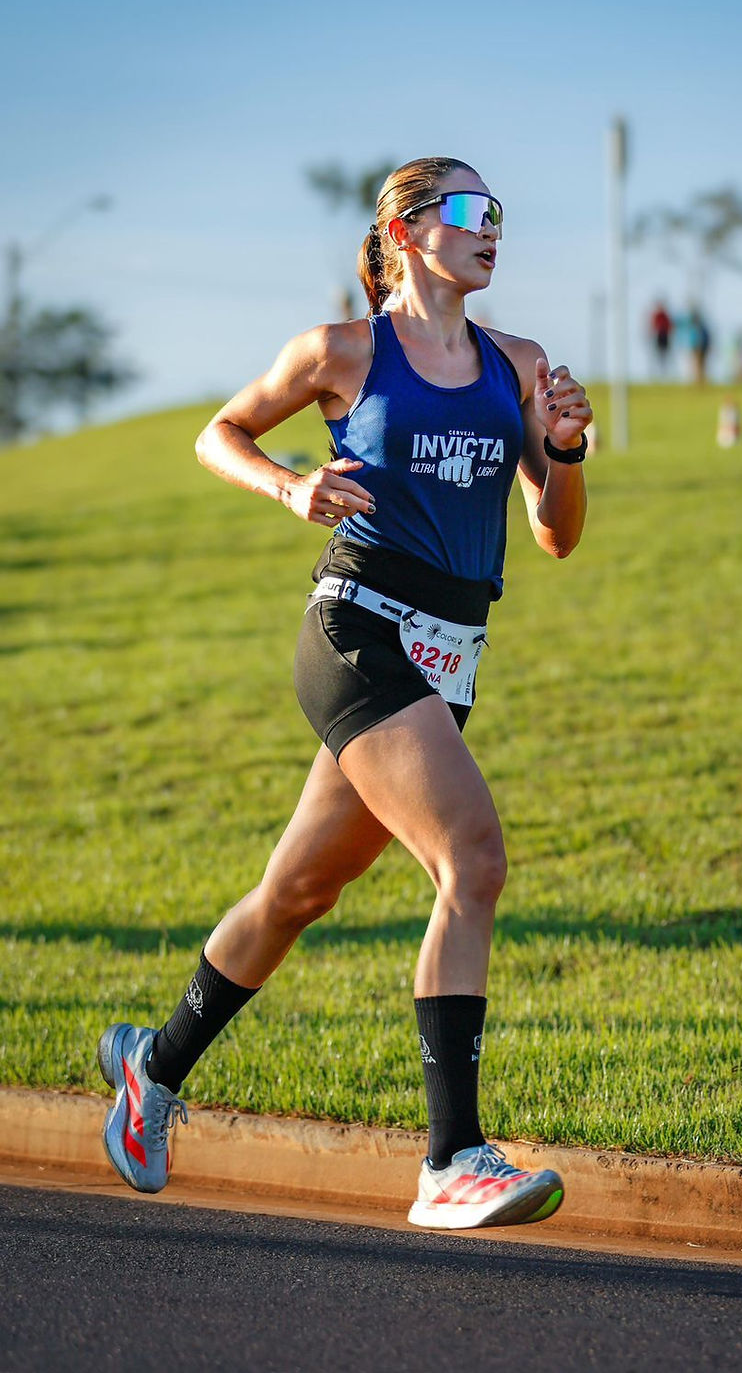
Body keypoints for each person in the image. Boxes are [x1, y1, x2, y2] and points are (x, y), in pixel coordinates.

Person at [96, 156, 592, 1231]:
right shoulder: (341, 351)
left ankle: (154, 1064)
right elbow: (215, 432)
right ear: (404, 233)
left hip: (449, 658)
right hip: (357, 632)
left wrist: (564, 449)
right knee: (472, 858)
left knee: (296, 894)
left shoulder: (518, 364)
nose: (489, 227)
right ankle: (451, 1157)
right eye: (464, 210)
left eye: (495, 212)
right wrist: (289, 484)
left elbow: (554, 534)